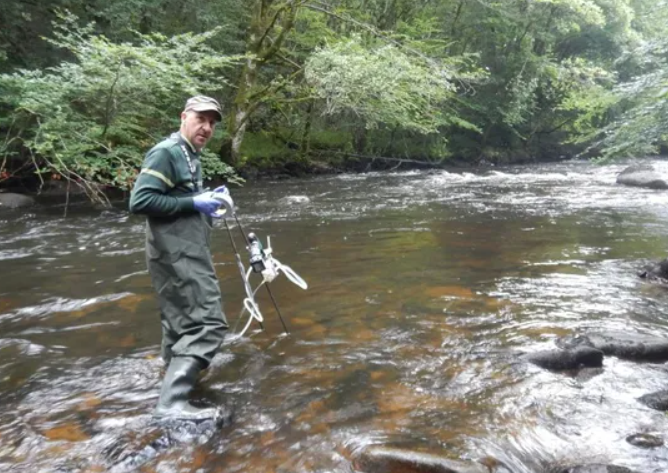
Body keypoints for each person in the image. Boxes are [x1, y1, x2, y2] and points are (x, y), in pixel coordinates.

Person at [129, 95, 232, 421]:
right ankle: (171, 405)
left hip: (178, 249)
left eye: (212, 123)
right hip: (176, 254)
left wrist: (208, 202)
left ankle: (177, 382)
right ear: (184, 117)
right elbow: (140, 200)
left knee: (179, 323)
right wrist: (194, 204)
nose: (207, 127)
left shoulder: (191, 155)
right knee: (209, 323)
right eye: (201, 119)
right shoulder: (167, 152)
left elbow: (177, 199)